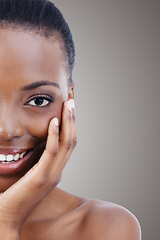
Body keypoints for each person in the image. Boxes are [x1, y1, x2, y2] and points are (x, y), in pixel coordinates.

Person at [0, 0, 141, 239]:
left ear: (69, 101)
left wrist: (6, 219)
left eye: (38, 101)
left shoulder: (103, 227)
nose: (6, 129)